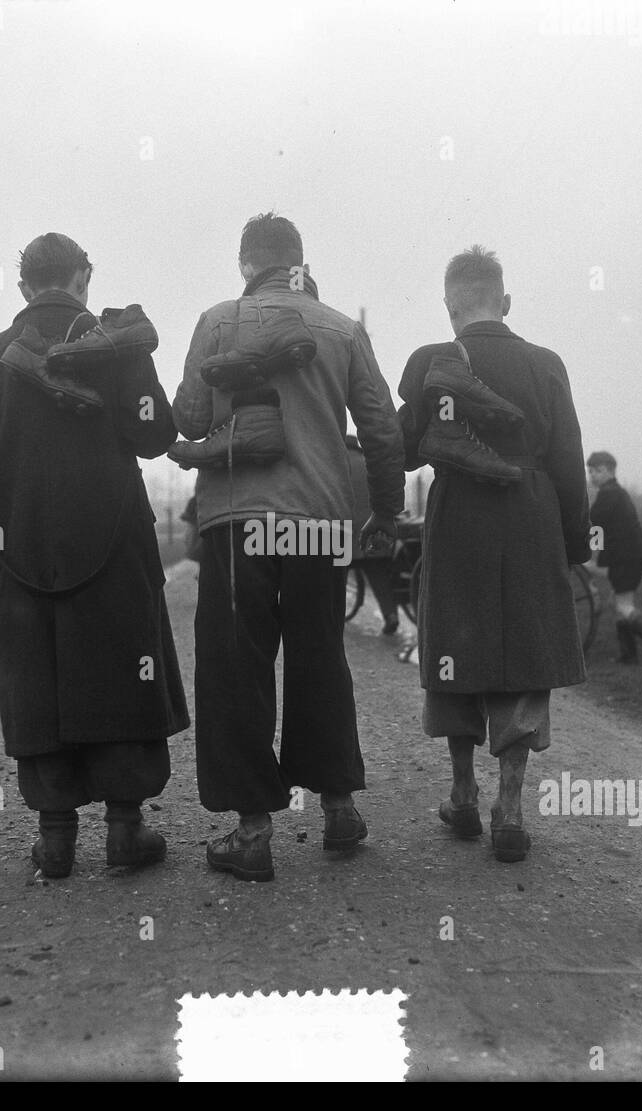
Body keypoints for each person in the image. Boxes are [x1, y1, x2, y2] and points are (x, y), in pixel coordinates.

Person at [174, 213, 404, 882]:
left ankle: (252, 831)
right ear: (300, 262)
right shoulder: (342, 327)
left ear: (247, 264)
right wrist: (385, 511)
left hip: (236, 518)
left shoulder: (217, 320)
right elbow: (382, 430)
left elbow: (188, 417)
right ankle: (337, 808)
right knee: (318, 656)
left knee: (236, 666)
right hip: (319, 521)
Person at [0, 232, 188, 878]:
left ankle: (55, 839)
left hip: (25, 550)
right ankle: (124, 830)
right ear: (84, 277)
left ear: (24, 286)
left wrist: (1, 523)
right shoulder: (118, 346)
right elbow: (156, 434)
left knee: (39, 678)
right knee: (123, 669)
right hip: (115, 539)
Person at [397, 245, 590, 864]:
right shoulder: (545, 363)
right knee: (525, 645)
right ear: (504, 302)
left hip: (459, 516)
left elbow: (401, 450)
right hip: (532, 511)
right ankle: (509, 806)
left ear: (450, 306)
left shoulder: (434, 360)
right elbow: (568, 459)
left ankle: (462, 793)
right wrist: (575, 541)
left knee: (455, 640)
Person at [586, 451, 642, 667]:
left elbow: (592, 524)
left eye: (597, 471)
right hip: (633, 555)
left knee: (623, 607)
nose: (592, 476)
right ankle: (628, 655)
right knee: (617, 603)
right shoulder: (617, 492)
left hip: (626, 557)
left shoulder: (609, 495)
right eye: (590, 471)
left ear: (609, 471)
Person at [345, 434, 400, 635]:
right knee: (379, 577)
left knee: (335, 578)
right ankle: (391, 615)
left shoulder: (337, 463)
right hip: (371, 530)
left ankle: (332, 616)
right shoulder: (368, 464)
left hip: (342, 533)